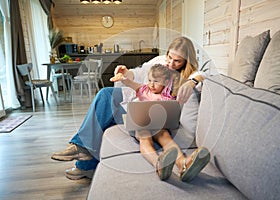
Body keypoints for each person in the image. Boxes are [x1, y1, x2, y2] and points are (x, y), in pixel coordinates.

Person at [51, 36, 207, 180]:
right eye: (169, 57)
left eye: (177, 61)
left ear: (186, 62)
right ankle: (83, 151)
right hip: (139, 116)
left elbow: (206, 75)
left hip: (161, 124)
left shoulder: (187, 79)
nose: (170, 64)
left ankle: (184, 164)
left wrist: (193, 81)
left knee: (158, 133)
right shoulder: (159, 63)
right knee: (107, 96)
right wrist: (127, 73)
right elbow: (139, 74)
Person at [111, 63, 210, 181]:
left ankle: (183, 163)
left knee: (165, 136)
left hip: (159, 126)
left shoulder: (168, 96)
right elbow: (129, 83)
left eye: (156, 81)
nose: (151, 84)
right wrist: (122, 77)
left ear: (166, 82)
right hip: (140, 124)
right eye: (149, 80)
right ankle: (158, 164)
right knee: (145, 137)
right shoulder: (144, 89)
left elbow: (201, 76)